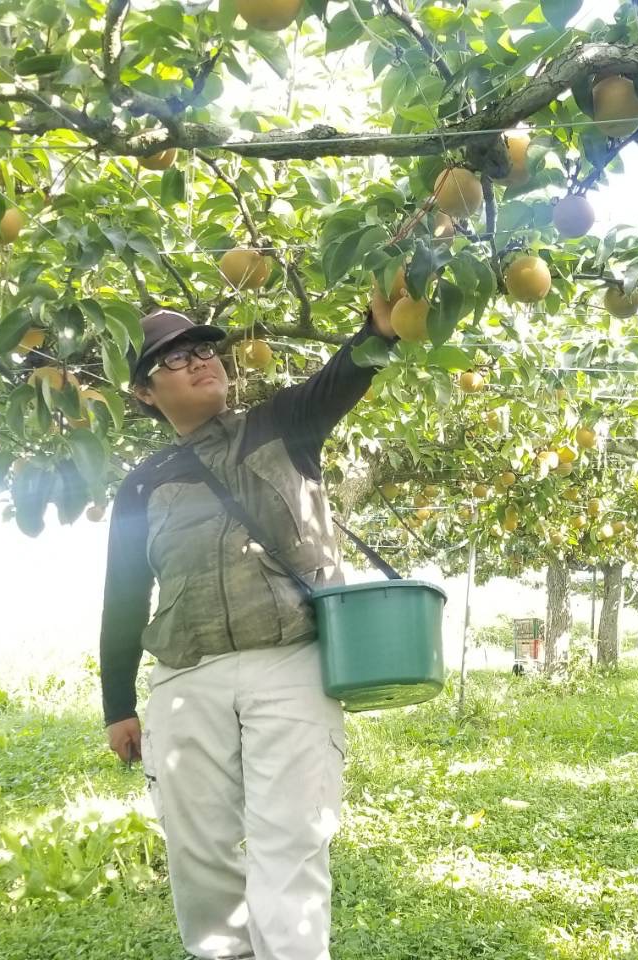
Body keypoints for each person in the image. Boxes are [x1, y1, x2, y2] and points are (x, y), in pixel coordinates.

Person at [98, 290, 396, 959]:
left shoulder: (283, 424)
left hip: (288, 662)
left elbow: (348, 371)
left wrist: (379, 330)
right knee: (198, 851)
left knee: (290, 840)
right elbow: (124, 596)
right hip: (187, 674)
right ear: (145, 393)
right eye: (174, 360)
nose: (200, 361)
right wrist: (118, 703)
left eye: (204, 348)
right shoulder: (141, 485)